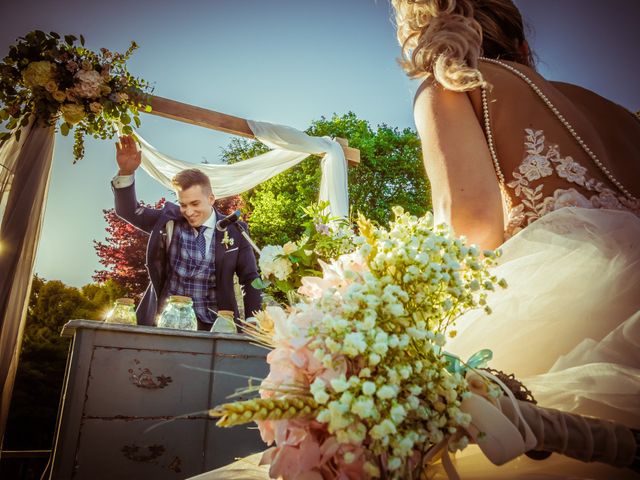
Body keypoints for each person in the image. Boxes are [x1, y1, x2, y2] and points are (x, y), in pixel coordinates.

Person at [389, 0, 640, 477]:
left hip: (569, 309)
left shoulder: (451, 83)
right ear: (524, 46)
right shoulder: (616, 112)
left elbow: (470, 231)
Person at [112, 135, 262, 330]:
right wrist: (126, 172)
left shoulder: (234, 231)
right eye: (183, 204)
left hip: (214, 326)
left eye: (195, 204)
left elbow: (250, 278)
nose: (189, 212)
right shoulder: (168, 220)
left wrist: (252, 318)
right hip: (165, 322)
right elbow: (127, 211)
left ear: (211, 199)